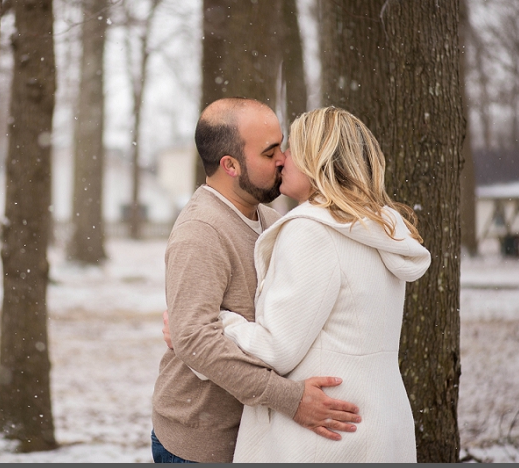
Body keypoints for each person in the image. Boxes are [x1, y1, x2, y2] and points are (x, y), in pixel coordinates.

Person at [151, 98, 361, 464]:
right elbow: (194, 339)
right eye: (269, 152)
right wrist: (290, 399)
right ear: (230, 165)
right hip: (203, 446)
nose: (283, 158)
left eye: (281, 145)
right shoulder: (201, 232)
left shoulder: (269, 216)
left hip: (256, 437)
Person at [217, 106, 431, 462]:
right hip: (379, 426)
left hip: (322, 438)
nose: (281, 160)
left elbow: (276, 349)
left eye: (292, 152)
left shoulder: (312, 232)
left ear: (318, 163)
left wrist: (222, 323)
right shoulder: (378, 230)